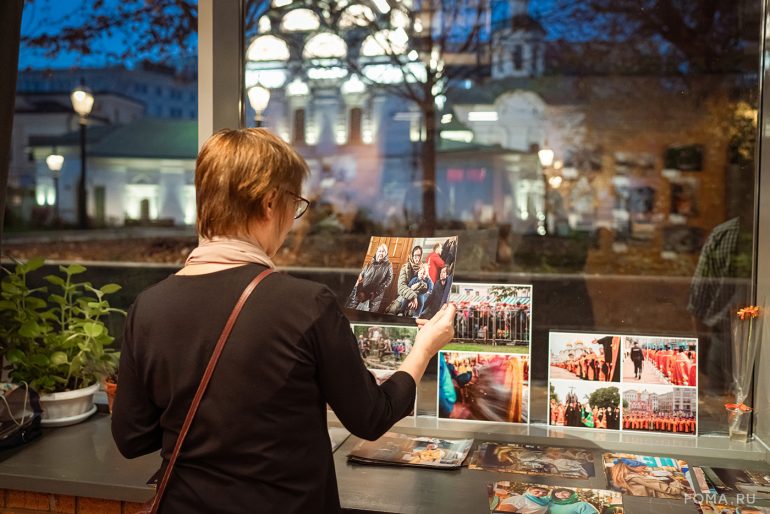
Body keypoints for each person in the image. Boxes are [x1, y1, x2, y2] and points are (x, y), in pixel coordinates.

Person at [111, 128, 456, 514]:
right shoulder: (306, 305)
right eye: (295, 204)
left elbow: (131, 438)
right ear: (269, 203)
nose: (293, 221)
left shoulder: (148, 307)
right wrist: (425, 347)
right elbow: (371, 417)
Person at [346, 243, 393, 312]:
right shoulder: (369, 263)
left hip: (374, 297)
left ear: (386, 253)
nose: (381, 253)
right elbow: (361, 276)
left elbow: (388, 280)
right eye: (379, 251)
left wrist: (376, 292)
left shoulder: (388, 265)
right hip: (363, 294)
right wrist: (359, 289)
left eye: (383, 251)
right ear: (376, 252)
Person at [608, 458, 685, 498]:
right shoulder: (636, 477)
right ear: (634, 468)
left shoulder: (624, 478)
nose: (645, 471)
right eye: (643, 469)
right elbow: (671, 490)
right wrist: (677, 482)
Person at [386, 245, 424, 315]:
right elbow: (401, 287)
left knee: (413, 313)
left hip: (418, 296)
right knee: (392, 310)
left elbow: (426, 286)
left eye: (419, 255)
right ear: (412, 256)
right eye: (415, 255)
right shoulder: (405, 268)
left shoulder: (423, 268)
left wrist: (418, 286)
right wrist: (413, 297)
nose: (417, 258)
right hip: (404, 295)